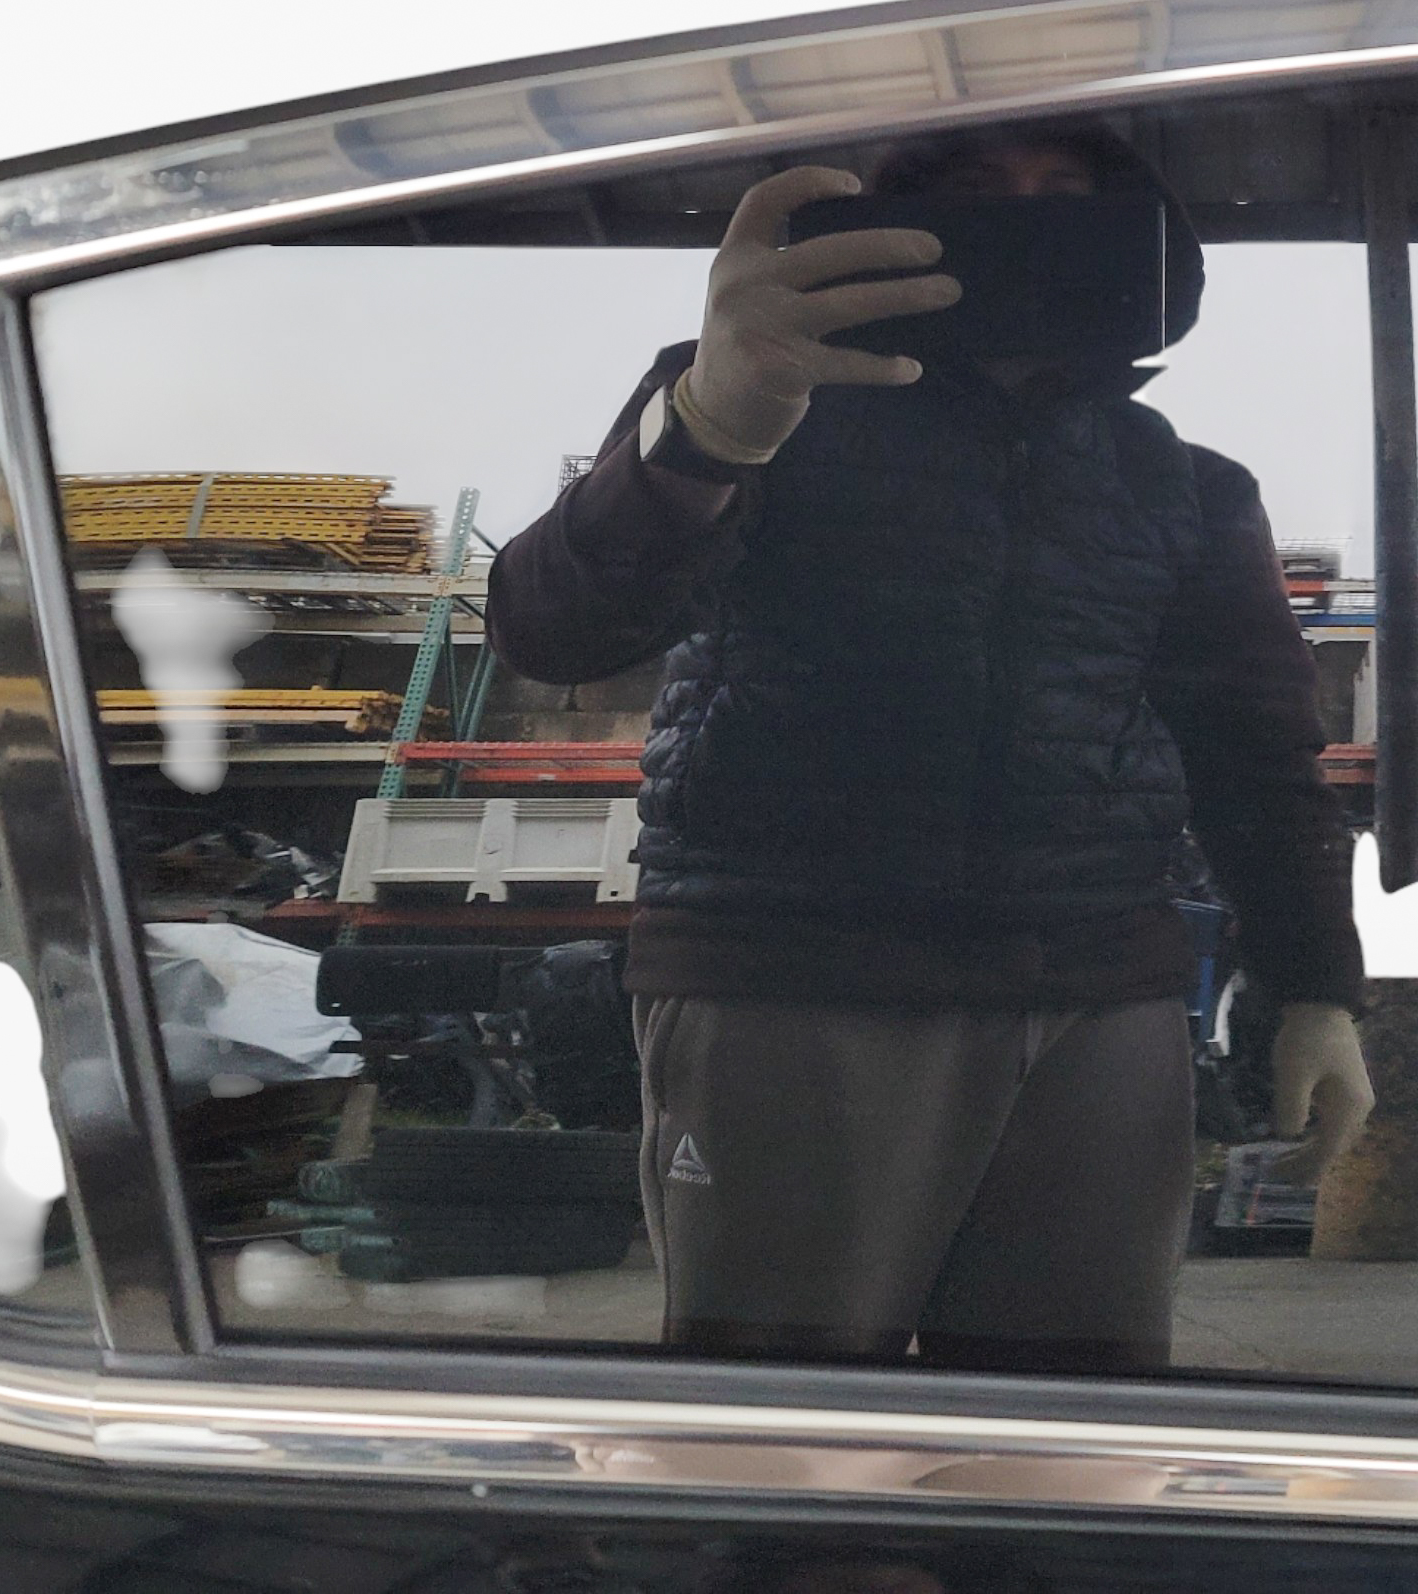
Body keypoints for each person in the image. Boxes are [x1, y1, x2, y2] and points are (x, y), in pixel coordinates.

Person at [487, 124, 1373, 1372]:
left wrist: (1319, 986)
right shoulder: (757, 393)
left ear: (1140, 239)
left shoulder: (1184, 481)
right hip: (792, 974)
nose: (1026, 218)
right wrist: (707, 430)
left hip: (1097, 993)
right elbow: (551, 630)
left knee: (1072, 1419)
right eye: (976, 194)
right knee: (785, 1424)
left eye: (1066, 194)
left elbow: (1259, 754)